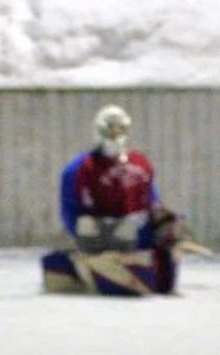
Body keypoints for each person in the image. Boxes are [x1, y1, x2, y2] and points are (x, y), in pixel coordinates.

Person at [42, 104, 183, 295]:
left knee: (168, 230)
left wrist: (163, 220)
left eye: (120, 128)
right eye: (109, 128)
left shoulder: (140, 164)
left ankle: (155, 274)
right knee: (95, 228)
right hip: (103, 239)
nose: (115, 134)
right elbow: (70, 210)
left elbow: (151, 199)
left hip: (138, 235)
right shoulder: (79, 169)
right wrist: (85, 236)